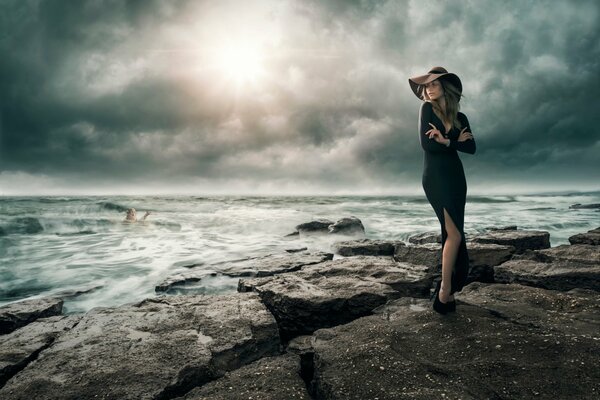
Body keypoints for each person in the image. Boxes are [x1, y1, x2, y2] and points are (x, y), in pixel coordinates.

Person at [408, 66, 476, 314]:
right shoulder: (426, 109)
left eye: (433, 84)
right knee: (455, 234)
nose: (428, 88)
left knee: (453, 233)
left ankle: (447, 293)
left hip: (457, 178)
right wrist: (455, 143)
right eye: (426, 85)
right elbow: (427, 145)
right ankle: (445, 291)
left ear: (445, 86)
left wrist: (447, 141)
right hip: (435, 177)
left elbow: (472, 148)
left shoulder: (461, 118)